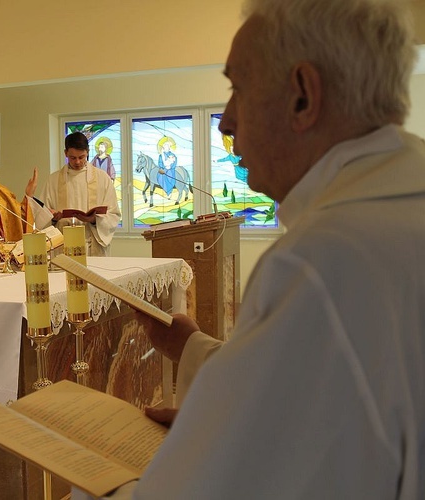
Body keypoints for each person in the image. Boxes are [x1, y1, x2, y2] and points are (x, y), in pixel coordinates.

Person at [103, 0, 425, 498]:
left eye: (237, 90)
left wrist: (102, 481)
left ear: (302, 96)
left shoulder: (321, 259)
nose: (225, 123)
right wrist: (195, 354)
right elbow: (327, 401)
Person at [39, 132, 121, 256]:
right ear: (65, 153)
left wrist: (94, 220)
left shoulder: (102, 178)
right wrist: (53, 218)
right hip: (63, 244)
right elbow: (41, 214)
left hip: (92, 243)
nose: (77, 162)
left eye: (81, 157)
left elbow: (113, 214)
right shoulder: (53, 180)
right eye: (72, 158)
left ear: (87, 152)